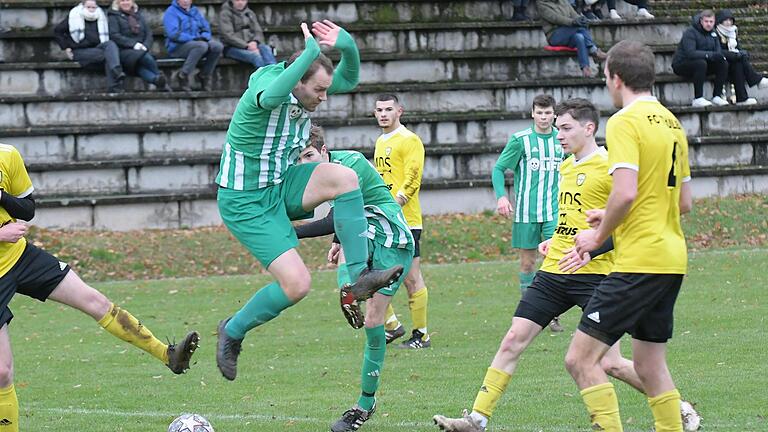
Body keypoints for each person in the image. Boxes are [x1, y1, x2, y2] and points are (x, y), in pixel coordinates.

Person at [431, 98, 700, 432]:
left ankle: (681, 410)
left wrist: (595, 248)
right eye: (558, 128)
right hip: (555, 271)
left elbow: (629, 219)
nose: (559, 135)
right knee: (513, 339)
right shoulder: (566, 165)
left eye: (566, 128)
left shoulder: (610, 166)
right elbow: (573, 217)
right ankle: (477, 419)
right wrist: (555, 238)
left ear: (589, 128)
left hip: (596, 277)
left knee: (612, 363)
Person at [214, 21, 403, 385]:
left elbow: (345, 80)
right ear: (298, 79)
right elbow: (272, 97)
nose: (325, 97)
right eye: (318, 90)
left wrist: (348, 47)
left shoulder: (307, 88)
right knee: (297, 286)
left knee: (345, 178)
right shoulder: (266, 86)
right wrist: (308, 58)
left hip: (281, 185)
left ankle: (358, 277)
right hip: (245, 201)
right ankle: (232, 330)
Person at [0, 143, 199, 432]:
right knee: (3, 373)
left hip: (19, 256)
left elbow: (27, 208)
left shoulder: (7, 155)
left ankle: (169, 355)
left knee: (95, 301)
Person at [567, 40, 693, 432]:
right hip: (671, 258)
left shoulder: (624, 121)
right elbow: (683, 202)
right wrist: (614, 211)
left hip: (640, 259)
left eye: (606, 77)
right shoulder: (673, 123)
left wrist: (597, 235)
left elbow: (625, 192)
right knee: (649, 366)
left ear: (615, 78)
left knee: (580, 359)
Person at [293, 126, 414, 432]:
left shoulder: (352, 164)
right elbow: (344, 214)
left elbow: (340, 216)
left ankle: (364, 402)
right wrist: (336, 240)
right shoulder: (318, 174)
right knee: (371, 319)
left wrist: (292, 232)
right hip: (361, 232)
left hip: (390, 233)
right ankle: (354, 289)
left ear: (324, 151)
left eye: (309, 155)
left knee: (374, 322)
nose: (305, 163)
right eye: (299, 159)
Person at [491, 94, 564, 332]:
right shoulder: (520, 140)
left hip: (554, 211)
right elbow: (500, 169)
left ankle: (551, 313)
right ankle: (529, 312)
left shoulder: (562, 139)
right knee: (527, 264)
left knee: (552, 261)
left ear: (554, 114)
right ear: (532, 113)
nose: (543, 117)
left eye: (548, 113)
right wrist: (502, 196)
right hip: (525, 213)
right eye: (539, 112)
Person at [372, 94, 431, 348]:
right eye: (379, 110)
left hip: (405, 220)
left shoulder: (409, 140)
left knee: (411, 277)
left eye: (388, 109)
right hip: (385, 219)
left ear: (400, 112)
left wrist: (394, 205)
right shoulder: (380, 141)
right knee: (372, 272)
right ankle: (393, 325)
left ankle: (421, 334)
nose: (383, 114)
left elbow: (412, 178)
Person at [53, 0, 125, 93]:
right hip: (79, 50)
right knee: (109, 56)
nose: (91, 9)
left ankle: (116, 70)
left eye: (93, 7)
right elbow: (58, 31)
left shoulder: (101, 17)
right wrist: (66, 47)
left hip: (97, 48)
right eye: (88, 7)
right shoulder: (74, 16)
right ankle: (115, 86)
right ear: (83, 7)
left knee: (110, 45)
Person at [108, 0, 172, 92]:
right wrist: (134, 45)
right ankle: (162, 81)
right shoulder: (113, 16)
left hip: (141, 50)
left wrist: (145, 45)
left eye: (128, 0)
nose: (125, 3)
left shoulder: (138, 15)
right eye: (122, 1)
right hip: (124, 51)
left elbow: (148, 33)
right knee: (145, 57)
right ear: (118, 3)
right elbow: (114, 35)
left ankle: (157, 80)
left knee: (139, 67)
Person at [672, 10, 731, 107]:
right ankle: (698, 98)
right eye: (706, 21)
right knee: (700, 63)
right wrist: (710, 55)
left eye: (711, 22)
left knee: (723, 63)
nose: (709, 24)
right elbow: (690, 53)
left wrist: (718, 56)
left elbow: (717, 52)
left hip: (704, 64)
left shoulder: (714, 33)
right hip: (682, 64)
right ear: (701, 21)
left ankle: (717, 96)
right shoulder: (690, 32)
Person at [163, 0, 223, 91]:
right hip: (177, 46)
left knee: (217, 46)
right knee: (201, 46)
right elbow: (173, 34)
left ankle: (204, 75)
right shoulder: (171, 12)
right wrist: (193, 38)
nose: (185, 1)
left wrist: (204, 37)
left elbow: (206, 29)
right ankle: (183, 75)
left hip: (198, 42)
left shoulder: (195, 11)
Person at [537, 0, 608, 77]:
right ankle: (594, 51)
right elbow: (555, 18)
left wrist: (581, 19)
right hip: (554, 35)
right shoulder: (541, 3)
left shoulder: (563, 1)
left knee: (579, 37)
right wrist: (573, 22)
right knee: (579, 28)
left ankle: (585, 67)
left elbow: (573, 13)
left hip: (569, 31)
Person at [715, 9, 768, 105]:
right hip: (721, 64)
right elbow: (718, 51)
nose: (728, 23)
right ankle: (757, 80)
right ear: (720, 21)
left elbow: (738, 48)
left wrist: (743, 53)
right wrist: (735, 55)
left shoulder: (733, 32)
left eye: (730, 20)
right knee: (738, 60)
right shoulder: (715, 33)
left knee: (739, 64)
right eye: (725, 20)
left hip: (733, 62)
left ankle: (742, 98)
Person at [219, 0, 277, 70]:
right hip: (232, 48)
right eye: (237, 0)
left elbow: (258, 31)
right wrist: (246, 46)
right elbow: (227, 35)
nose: (240, 2)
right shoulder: (225, 14)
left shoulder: (250, 13)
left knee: (266, 49)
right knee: (255, 57)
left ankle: (275, 75)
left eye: (243, 0)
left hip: (252, 44)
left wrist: (255, 42)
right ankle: (263, 78)